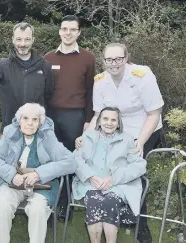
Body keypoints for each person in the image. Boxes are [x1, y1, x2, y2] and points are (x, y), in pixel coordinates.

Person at [76, 43, 164, 243]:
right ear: (103, 61)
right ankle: (104, 209)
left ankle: (139, 223)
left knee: (134, 169)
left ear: (126, 58)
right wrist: (86, 135)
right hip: (113, 125)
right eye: (109, 60)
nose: (114, 64)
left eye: (118, 59)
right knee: (104, 161)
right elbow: (99, 114)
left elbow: (154, 113)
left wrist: (140, 142)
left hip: (144, 126)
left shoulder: (143, 76)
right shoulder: (100, 81)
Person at [0, 103, 76, 243]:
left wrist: (39, 173)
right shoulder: (10, 133)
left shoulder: (48, 136)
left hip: (41, 186)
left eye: (35, 119)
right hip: (12, 184)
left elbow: (70, 161)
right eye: (25, 118)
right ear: (19, 121)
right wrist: (11, 175)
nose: (30, 123)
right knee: (1, 205)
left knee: (37, 209)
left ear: (40, 122)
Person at [43, 15, 96, 221]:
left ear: (79, 32)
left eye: (72, 30)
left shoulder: (87, 58)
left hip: (75, 116)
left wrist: (88, 120)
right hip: (51, 117)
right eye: (64, 29)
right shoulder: (48, 58)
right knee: (51, 159)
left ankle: (66, 205)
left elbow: (92, 90)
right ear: (59, 31)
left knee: (71, 160)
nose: (68, 33)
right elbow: (44, 91)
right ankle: (50, 201)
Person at [72, 107, 147, 243]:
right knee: (94, 201)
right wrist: (89, 176)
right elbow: (75, 159)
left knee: (109, 202)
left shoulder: (127, 139)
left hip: (117, 186)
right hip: (91, 184)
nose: (109, 123)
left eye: (113, 120)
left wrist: (115, 178)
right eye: (105, 119)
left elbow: (140, 165)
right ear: (99, 121)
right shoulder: (87, 137)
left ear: (118, 123)